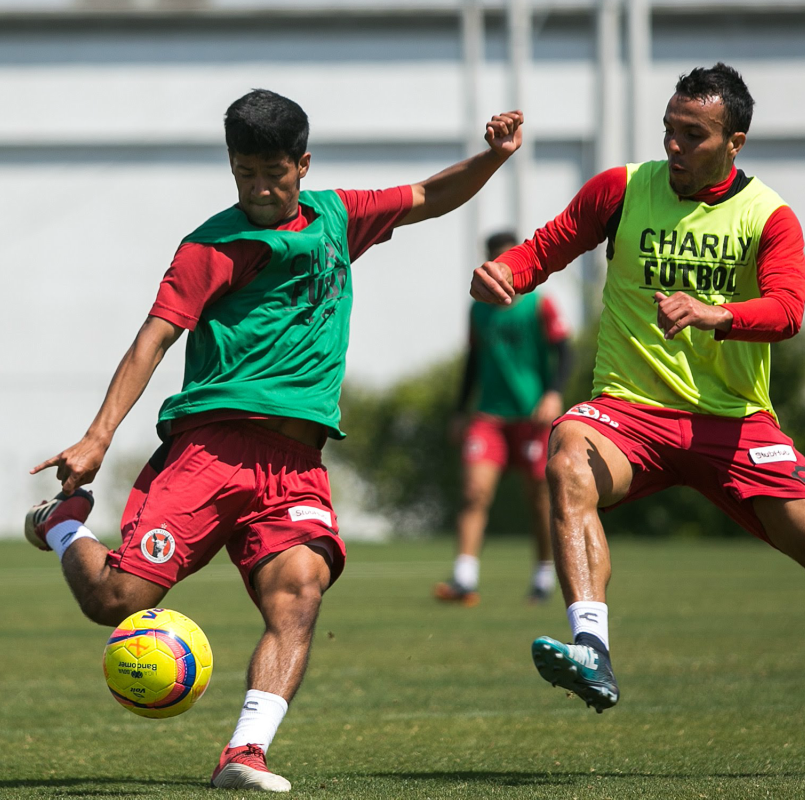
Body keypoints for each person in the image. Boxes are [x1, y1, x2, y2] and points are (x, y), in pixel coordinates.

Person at [469, 63, 805, 778]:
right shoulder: (621, 189)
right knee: (567, 455)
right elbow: (548, 245)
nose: (674, 146)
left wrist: (718, 314)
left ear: (733, 142)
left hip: (735, 425)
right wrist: (509, 273)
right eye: (669, 130)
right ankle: (591, 648)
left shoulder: (769, 217)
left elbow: (787, 312)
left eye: (693, 134)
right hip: (629, 414)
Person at [26, 89, 522, 793]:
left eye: (274, 174)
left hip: (295, 466)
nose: (260, 188)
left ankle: (244, 754)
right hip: (212, 451)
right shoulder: (211, 246)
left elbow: (430, 196)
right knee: (116, 599)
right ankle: (63, 528)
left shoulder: (339, 217)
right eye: (245, 173)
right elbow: (154, 337)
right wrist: (98, 436)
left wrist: (494, 158)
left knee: (300, 592)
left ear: (304, 164)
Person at [434, 230, 571, 607]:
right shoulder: (478, 310)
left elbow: (564, 352)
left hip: (531, 417)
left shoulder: (540, 305)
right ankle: (464, 578)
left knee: (539, 498)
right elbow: (473, 362)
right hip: (488, 418)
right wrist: (461, 411)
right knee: (473, 492)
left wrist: (552, 393)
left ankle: (544, 576)